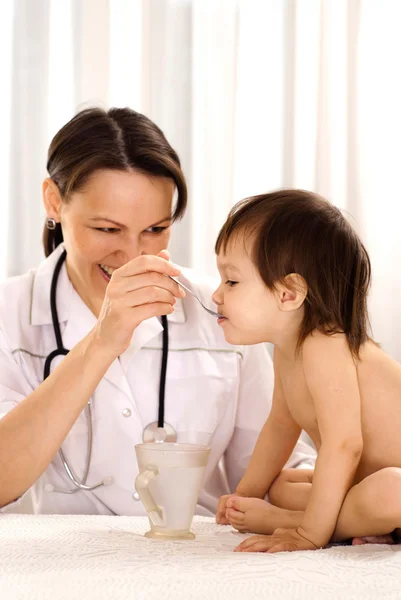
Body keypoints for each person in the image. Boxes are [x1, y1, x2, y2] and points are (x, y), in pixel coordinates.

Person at [0, 108, 315, 516]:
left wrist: (354, 504)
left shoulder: (221, 310)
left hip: (192, 563)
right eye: (107, 230)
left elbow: (270, 473)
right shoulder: (9, 315)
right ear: (54, 201)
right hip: (64, 572)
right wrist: (102, 341)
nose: (133, 254)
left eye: (155, 229)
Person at [213, 189, 401, 552]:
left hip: (391, 486)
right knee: (281, 484)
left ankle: (301, 524)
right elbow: (281, 426)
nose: (217, 294)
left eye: (232, 281)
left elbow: (344, 444)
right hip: (365, 484)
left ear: (289, 294)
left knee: (392, 488)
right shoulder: (288, 349)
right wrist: (244, 496)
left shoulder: (324, 345)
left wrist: (307, 536)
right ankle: (359, 523)